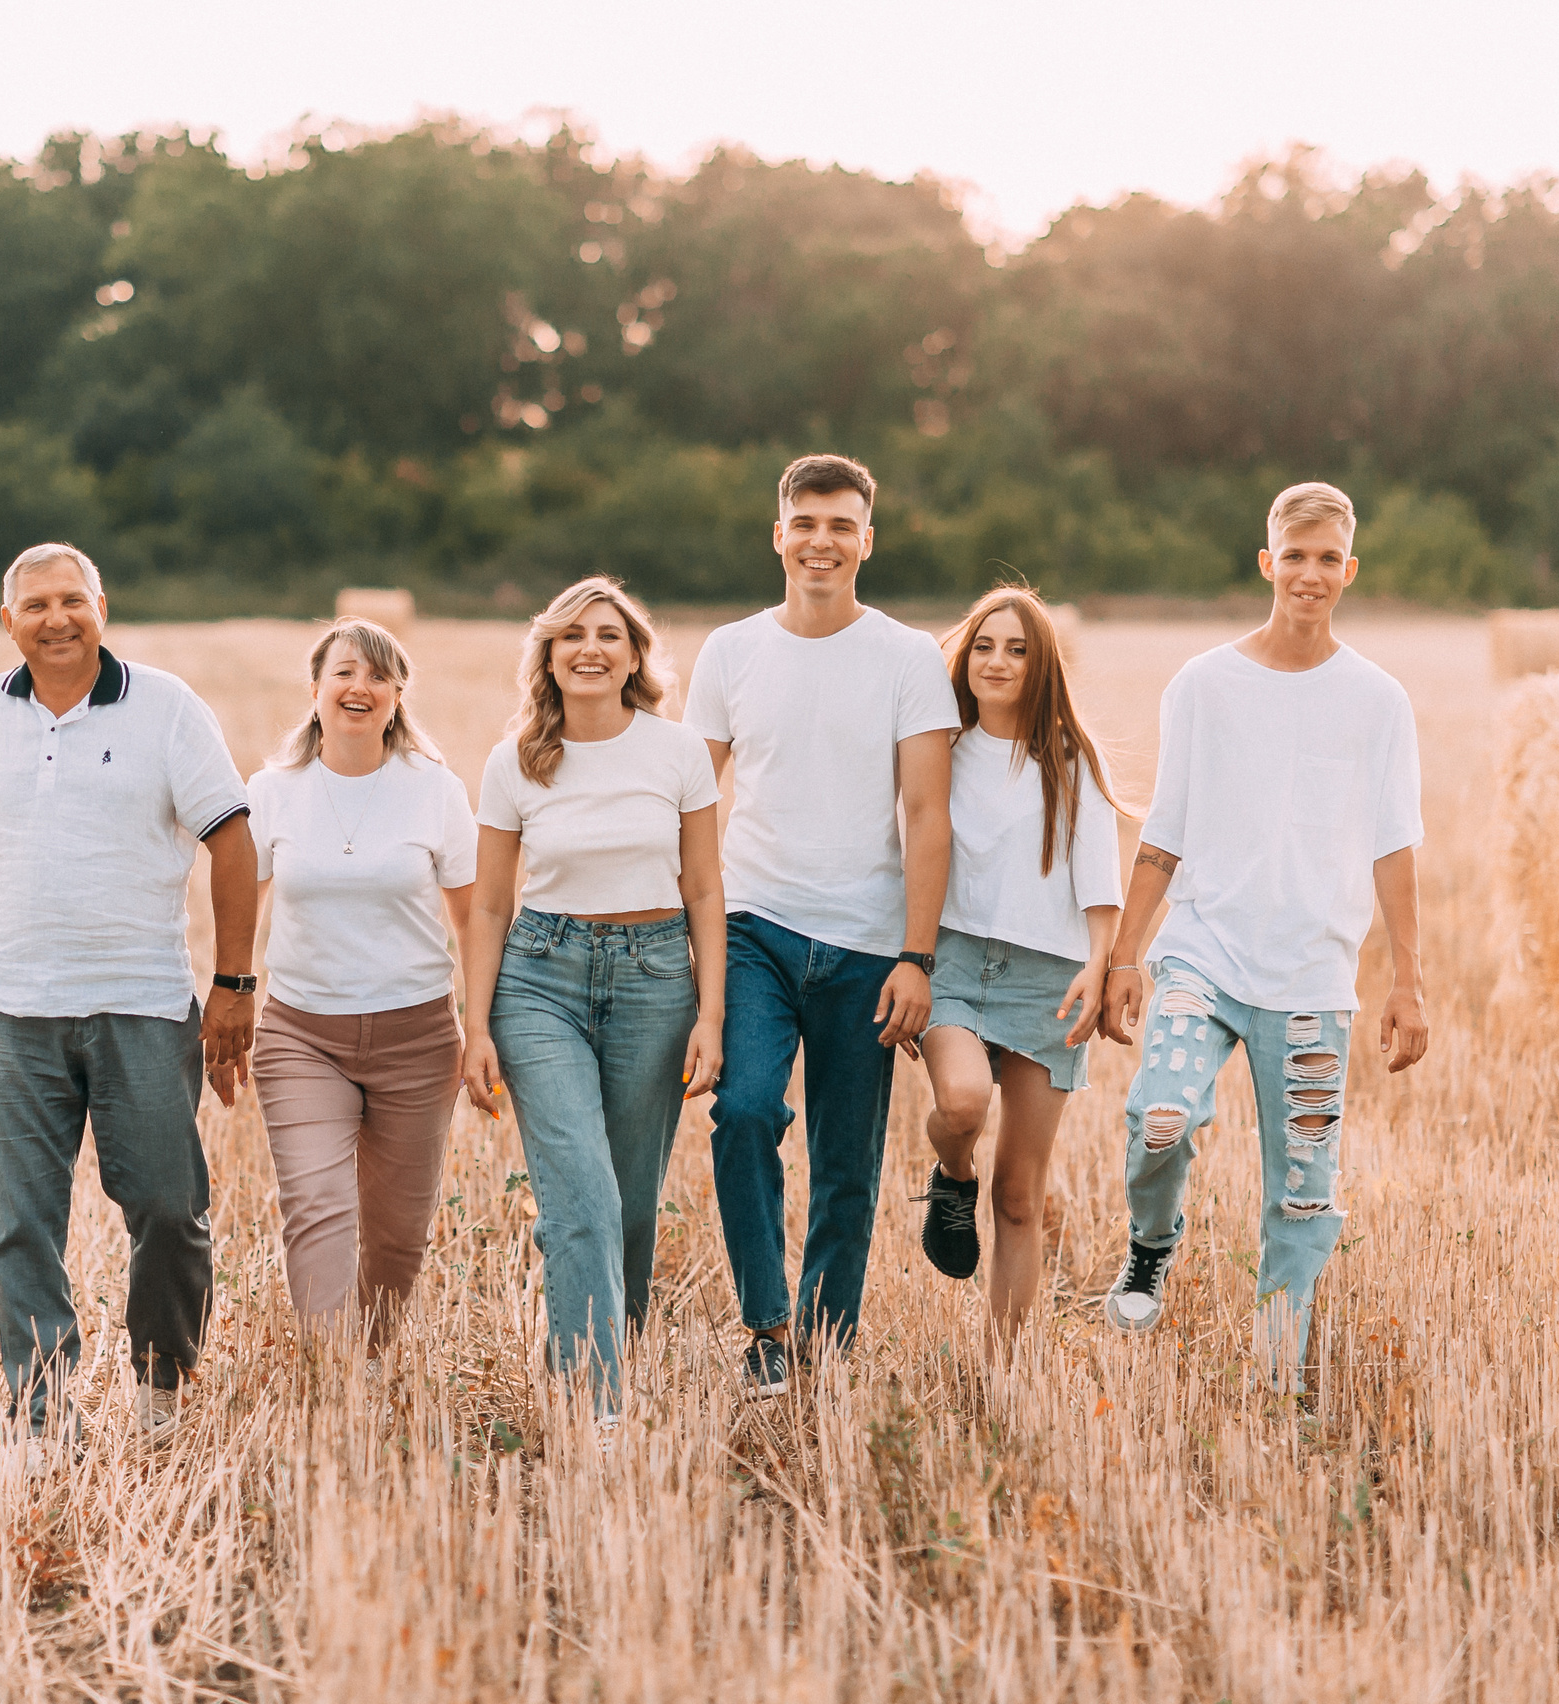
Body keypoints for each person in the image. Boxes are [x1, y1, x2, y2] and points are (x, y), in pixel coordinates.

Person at [1099, 481, 1429, 1393]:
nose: (1311, 574)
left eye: (1329, 559)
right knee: (1158, 1119)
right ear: (1267, 562)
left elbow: (1395, 846)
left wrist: (1407, 981)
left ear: (1349, 570)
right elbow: (1163, 833)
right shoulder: (1203, 684)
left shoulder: (1377, 700)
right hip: (1203, 954)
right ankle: (1151, 1245)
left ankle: (1279, 1367)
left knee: (1305, 1188)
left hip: (1315, 977)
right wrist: (1127, 956)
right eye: (1296, 555)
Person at [0, 542, 255, 1446]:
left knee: (167, 1206)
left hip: (142, 1002)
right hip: (10, 1008)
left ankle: (159, 1384)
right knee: (22, 1222)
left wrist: (233, 982)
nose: (56, 618)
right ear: (8, 623)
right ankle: (40, 1414)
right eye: (35, 605)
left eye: (72, 600)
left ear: (102, 608)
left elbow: (231, 841)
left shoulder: (167, 707)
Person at [685, 453, 957, 1399]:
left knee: (849, 1160)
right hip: (754, 927)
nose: (822, 542)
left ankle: (828, 1341)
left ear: (867, 541)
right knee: (746, 1111)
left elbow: (927, 816)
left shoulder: (909, 658)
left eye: (842, 526)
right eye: (806, 523)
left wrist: (917, 955)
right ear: (779, 535)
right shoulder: (729, 652)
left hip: (868, 946)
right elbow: (692, 800)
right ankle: (766, 1324)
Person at [460, 576, 724, 1431]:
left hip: (655, 981)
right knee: (582, 1201)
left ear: (634, 656)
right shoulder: (516, 760)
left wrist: (712, 1015)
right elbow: (491, 904)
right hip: (540, 980)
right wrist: (476, 1026)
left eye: (609, 634)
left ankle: (607, 1345)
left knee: (633, 1205)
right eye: (571, 635)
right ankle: (596, 1408)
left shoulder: (677, 752)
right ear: (548, 655)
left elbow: (704, 891)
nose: (590, 648)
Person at [227, 618, 476, 1345]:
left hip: (419, 1038)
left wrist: (484, 1024)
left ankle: (371, 1352)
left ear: (397, 697)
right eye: (343, 672)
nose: (358, 687)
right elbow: (241, 906)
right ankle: (330, 1371)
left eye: (377, 676)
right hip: (303, 1034)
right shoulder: (272, 791)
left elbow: (476, 919)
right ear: (315, 691)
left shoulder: (435, 790)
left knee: (399, 1233)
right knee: (316, 1203)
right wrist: (232, 996)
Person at [915, 587, 1128, 1353]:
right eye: (984, 646)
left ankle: (1000, 1365)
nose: (998, 662)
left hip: (1050, 977)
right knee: (964, 1101)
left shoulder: (1073, 761)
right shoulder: (933, 748)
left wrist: (1099, 968)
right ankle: (950, 1171)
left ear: (1042, 667)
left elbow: (1101, 885)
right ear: (964, 656)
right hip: (955, 963)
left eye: (1018, 649)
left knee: (1019, 1195)